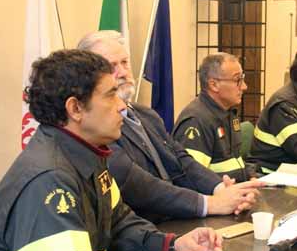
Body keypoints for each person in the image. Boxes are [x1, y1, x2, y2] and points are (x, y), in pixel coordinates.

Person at [0, 50, 229, 251]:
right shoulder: (49, 180)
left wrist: (172, 246)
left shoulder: (88, 154)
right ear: (75, 108)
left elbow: (119, 223)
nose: (122, 106)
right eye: (110, 95)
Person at [77, 31, 263, 224]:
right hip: (144, 228)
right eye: (111, 66)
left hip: (177, 219)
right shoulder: (97, 128)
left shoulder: (147, 115)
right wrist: (211, 204)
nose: (123, 72)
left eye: (125, 62)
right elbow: (140, 186)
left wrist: (223, 190)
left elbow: (181, 161)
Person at [173, 53, 249, 182]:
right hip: (217, 198)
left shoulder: (228, 113)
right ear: (214, 85)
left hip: (236, 192)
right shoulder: (196, 121)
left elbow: (236, 162)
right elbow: (191, 179)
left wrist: (251, 176)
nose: (244, 87)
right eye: (237, 80)